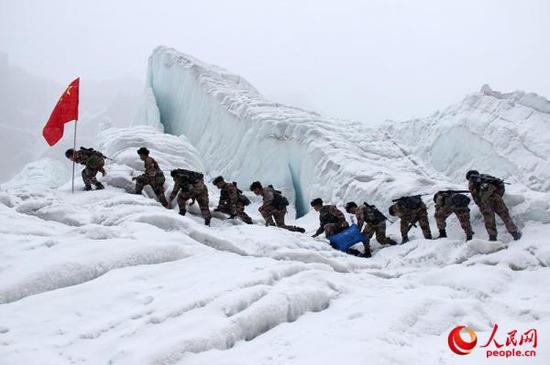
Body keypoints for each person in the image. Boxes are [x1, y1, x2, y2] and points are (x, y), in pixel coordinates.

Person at [466, 170, 521, 241]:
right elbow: (500, 184)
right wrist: (498, 196)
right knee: (505, 215)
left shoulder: (472, 181)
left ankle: (493, 238)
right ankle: (515, 234)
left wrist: (480, 204)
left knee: (489, 219)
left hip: (485, 202)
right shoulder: (486, 177)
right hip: (496, 197)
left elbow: (475, 195)